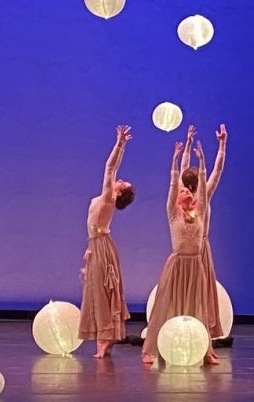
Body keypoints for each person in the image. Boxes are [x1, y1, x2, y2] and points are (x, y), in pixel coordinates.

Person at [141, 140, 219, 365]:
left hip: (196, 265)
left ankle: (206, 350)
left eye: (187, 189)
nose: (183, 191)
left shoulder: (201, 212)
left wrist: (203, 160)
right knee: (166, 305)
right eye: (181, 190)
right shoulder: (172, 213)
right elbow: (174, 182)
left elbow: (203, 187)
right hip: (177, 265)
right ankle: (151, 350)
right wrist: (175, 159)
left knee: (199, 307)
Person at [78, 125, 136, 358]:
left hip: (101, 247)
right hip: (97, 245)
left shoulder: (107, 199)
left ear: (118, 193)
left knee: (101, 292)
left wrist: (120, 143)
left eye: (123, 183)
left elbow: (110, 167)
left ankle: (104, 339)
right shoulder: (106, 200)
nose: (119, 180)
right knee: (96, 291)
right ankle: (107, 338)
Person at [180, 124, 227, 339]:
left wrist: (188, 145)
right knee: (194, 291)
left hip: (197, 250)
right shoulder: (195, 196)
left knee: (196, 292)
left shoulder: (196, 195)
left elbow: (184, 171)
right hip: (192, 251)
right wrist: (222, 145)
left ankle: (199, 333)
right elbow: (216, 171)